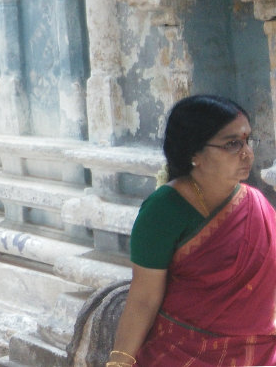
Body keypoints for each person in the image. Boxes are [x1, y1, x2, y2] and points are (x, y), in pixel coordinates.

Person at [108, 94, 276, 366]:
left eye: (248, 140)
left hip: (259, 352)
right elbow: (144, 297)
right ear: (195, 154)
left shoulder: (256, 204)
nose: (247, 153)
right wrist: (119, 362)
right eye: (232, 144)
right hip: (184, 353)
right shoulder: (163, 210)